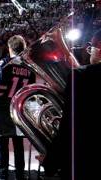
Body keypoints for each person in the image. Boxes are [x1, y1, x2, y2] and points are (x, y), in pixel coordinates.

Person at [43, 29, 101, 180]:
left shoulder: (81, 76)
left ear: (99, 47)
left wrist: (51, 161)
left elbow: (70, 126)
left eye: (91, 49)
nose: (89, 53)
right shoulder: (81, 75)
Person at [0, 35, 36, 180]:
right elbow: (30, 90)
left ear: (10, 48)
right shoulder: (29, 67)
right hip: (19, 108)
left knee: (3, 141)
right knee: (18, 143)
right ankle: (20, 175)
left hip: (4, 108)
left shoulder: (5, 63)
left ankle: (3, 175)